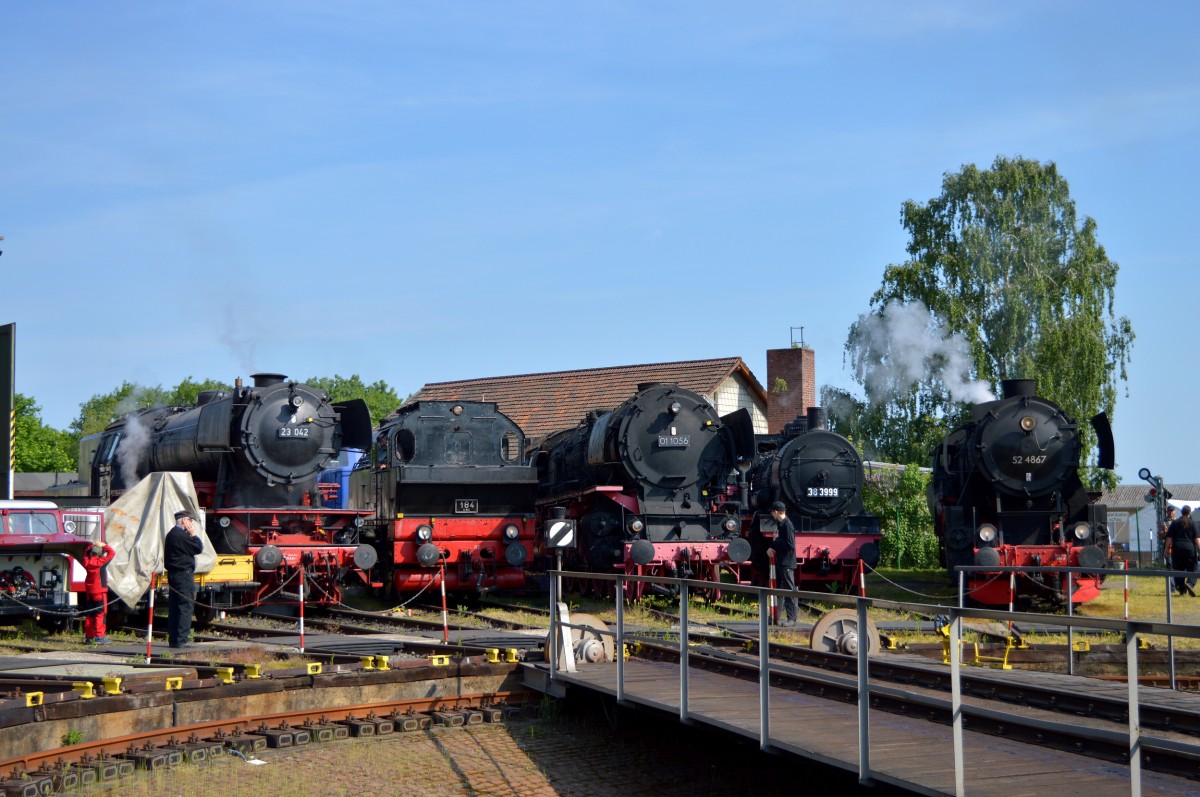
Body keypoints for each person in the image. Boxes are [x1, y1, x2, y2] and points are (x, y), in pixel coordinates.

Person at [164, 509, 203, 648]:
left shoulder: (171, 534)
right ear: (184, 520)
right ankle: (182, 639)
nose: (191, 523)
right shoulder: (181, 535)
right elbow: (198, 548)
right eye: (190, 520)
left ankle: (174, 639)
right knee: (185, 606)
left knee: (175, 607)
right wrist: (193, 535)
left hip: (174, 574)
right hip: (183, 575)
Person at [769, 501, 798, 626]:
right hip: (781, 561)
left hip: (787, 562)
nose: (772, 515)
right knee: (780, 590)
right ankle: (777, 616)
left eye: (772, 512)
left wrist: (775, 542)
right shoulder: (781, 524)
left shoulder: (787, 525)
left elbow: (790, 545)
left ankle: (792, 619)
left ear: (776, 512)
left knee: (789, 589)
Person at [81, 540, 115, 645]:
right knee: (101, 614)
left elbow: (85, 553)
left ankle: (89, 637)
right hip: (99, 591)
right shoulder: (101, 563)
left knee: (90, 614)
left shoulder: (86, 562)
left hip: (89, 592)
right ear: (100, 554)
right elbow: (112, 553)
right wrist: (104, 545)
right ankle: (99, 636)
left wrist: (92, 545)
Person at [1165, 505, 1200, 597]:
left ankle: (1182, 591)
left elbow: (1169, 537)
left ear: (1181, 512)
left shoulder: (1175, 523)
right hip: (1190, 550)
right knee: (1193, 569)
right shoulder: (1193, 523)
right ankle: (1190, 583)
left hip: (1177, 550)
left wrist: (1166, 549)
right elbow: (1197, 539)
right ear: (1190, 513)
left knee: (1178, 570)